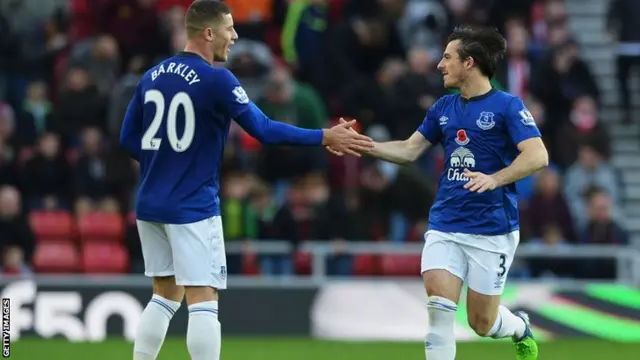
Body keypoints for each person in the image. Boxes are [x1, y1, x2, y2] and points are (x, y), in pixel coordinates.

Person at [118, 1, 373, 360]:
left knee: (164, 294)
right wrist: (324, 136)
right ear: (208, 33)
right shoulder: (217, 79)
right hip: (192, 205)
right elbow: (265, 130)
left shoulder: (153, 75)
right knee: (204, 299)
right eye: (229, 28)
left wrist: (167, 163)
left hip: (150, 203)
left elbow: (128, 140)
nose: (235, 36)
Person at [330, 26, 548, 360]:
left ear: (469, 63)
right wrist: (364, 145)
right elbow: (408, 150)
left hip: (492, 229)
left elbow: (537, 155)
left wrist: (495, 178)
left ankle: (518, 326)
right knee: (438, 309)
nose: (439, 65)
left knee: (482, 322)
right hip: (445, 222)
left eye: (447, 57)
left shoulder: (507, 106)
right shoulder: (444, 108)